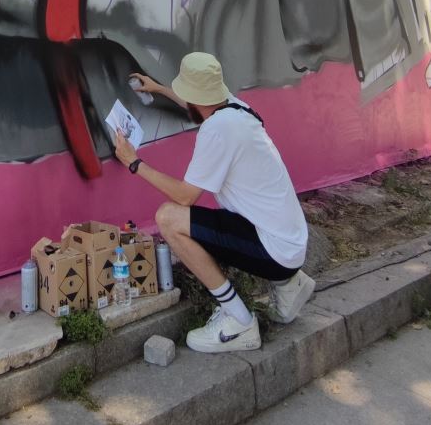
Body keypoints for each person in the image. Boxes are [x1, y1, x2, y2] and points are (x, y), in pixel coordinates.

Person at [114, 51, 313, 352]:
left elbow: (185, 196)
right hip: (290, 243)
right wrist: (159, 89)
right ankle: (289, 286)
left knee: (169, 217)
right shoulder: (235, 107)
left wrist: (134, 163)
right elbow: (197, 105)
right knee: (212, 218)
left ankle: (239, 321)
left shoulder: (217, 130)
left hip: (274, 252)